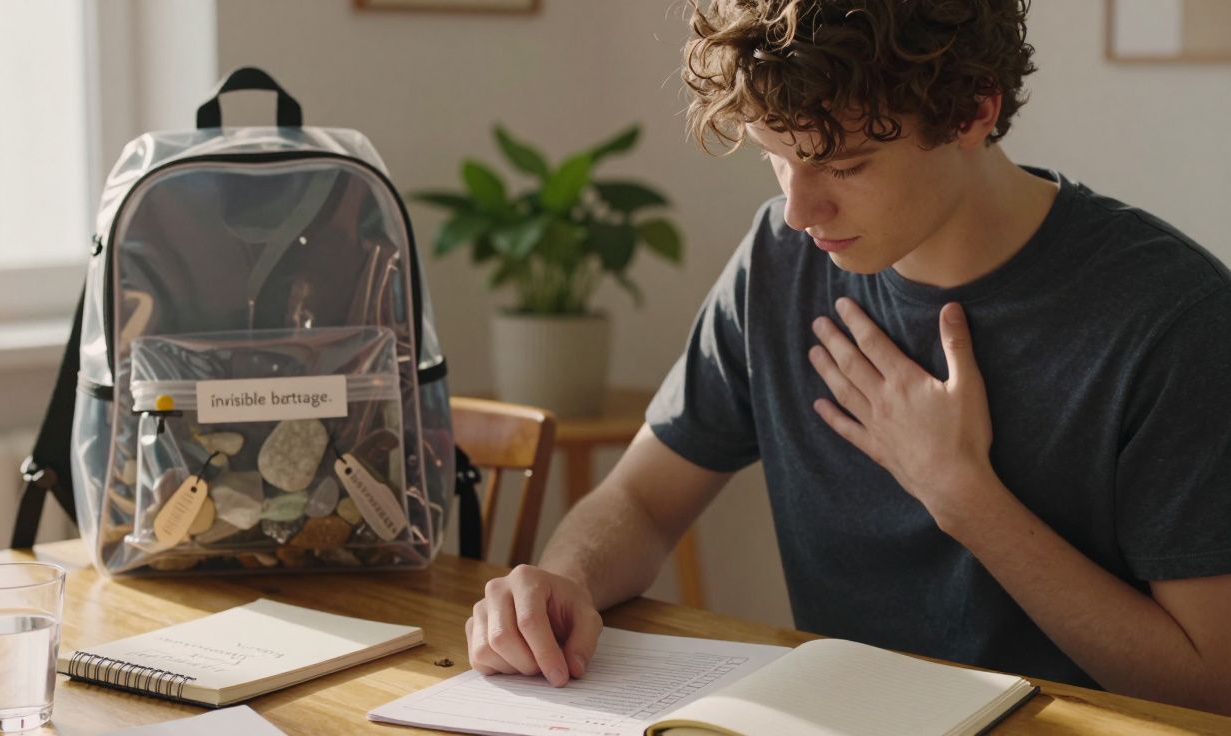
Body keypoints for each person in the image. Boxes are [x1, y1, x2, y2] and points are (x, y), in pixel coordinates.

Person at [465, 0, 1231, 715]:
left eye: (847, 165)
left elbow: (1209, 685)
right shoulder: (778, 259)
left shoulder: (1173, 319)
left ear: (973, 112)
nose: (800, 211)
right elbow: (641, 503)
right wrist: (565, 580)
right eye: (776, 156)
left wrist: (962, 494)